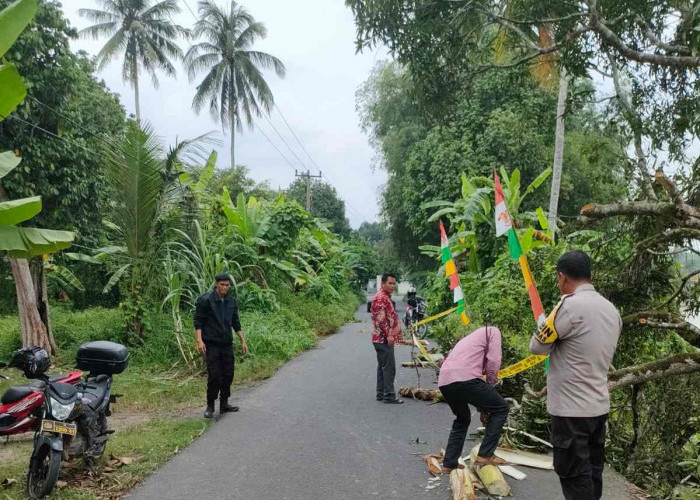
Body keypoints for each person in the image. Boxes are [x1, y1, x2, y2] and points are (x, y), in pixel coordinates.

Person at [530, 250, 621, 500]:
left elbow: (536, 346)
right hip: (598, 408)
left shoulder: (568, 306)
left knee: (573, 475)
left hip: (570, 411)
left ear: (562, 277)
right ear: (590, 275)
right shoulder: (611, 309)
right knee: (592, 473)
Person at [438, 325, 509, 472]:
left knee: (462, 419)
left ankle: (449, 464)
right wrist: (491, 384)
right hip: (466, 378)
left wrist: (483, 407)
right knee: (501, 408)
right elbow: (494, 361)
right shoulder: (493, 331)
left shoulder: (468, 339)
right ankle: (485, 455)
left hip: (445, 380)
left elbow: (476, 391)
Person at [194, 273, 248, 419]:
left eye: (227, 285)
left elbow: (235, 322)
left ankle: (224, 404)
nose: (225, 287)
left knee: (228, 374)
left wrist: (242, 340)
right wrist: (199, 340)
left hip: (227, 344)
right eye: (222, 284)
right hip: (211, 344)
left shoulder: (231, 301)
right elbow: (198, 322)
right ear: (216, 284)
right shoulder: (205, 300)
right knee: (214, 376)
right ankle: (210, 405)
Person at [371, 273, 409, 404]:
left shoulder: (385, 297)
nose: (393, 286)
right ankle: (389, 395)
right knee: (389, 367)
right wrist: (390, 334)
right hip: (383, 339)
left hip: (381, 338)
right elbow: (381, 319)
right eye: (390, 283)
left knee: (383, 366)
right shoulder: (381, 298)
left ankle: (381, 393)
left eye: (394, 283)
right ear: (383, 284)